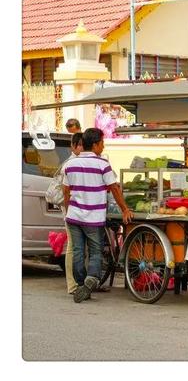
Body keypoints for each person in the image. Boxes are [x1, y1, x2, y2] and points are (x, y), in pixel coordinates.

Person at [62, 128, 133, 303]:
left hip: (74, 216)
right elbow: (115, 188)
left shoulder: (70, 165)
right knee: (95, 252)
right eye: (102, 143)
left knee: (78, 251)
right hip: (93, 218)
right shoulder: (102, 164)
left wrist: (69, 208)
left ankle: (80, 285)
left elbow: (65, 191)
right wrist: (124, 209)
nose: (103, 146)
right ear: (94, 144)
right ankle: (91, 280)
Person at [61, 132, 83, 295]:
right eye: (80, 145)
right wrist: (69, 211)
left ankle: (80, 281)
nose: (83, 148)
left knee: (79, 247)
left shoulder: (81, 161)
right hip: (71, 210)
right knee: (73, 246)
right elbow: (66, 191)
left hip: (81, 210)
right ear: (73, 146)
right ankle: (72, 284)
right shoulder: (69, 164)